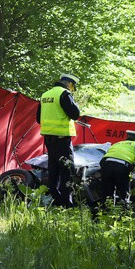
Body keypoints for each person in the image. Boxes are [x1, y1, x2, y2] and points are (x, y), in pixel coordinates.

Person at [36, 74, 81, 207]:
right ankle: (67, 204)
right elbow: (75, 114)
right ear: (70, 84)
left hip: (49, 140)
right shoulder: (64, 94)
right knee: (67, 170)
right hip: (62, 139)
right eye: (73, 87)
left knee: (53, 170)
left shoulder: (45, 95)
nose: (72, 90)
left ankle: (57, 200)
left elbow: (39, 119)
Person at [99, 130, 135, 205]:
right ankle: (124, 209)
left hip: (106, 165)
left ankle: (104, 210)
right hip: (121, 167)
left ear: (127, 137)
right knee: (123, 192)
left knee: (107, 192)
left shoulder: (117, 144)